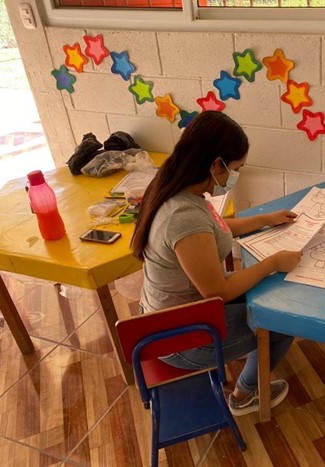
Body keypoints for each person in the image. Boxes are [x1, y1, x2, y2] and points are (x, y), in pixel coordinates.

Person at [131, 111, 302, 416]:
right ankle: (243, 396)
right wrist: (274, 261)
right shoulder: (183, 216)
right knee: (283, 322)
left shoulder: (179, 188)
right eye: (236, 169)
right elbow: (217, 292)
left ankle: (243, 356)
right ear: (215, 165)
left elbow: (217, 228)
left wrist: (266, 219)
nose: (236, 177)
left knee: (260, 296)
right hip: (182, 337)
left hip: (170, 314)